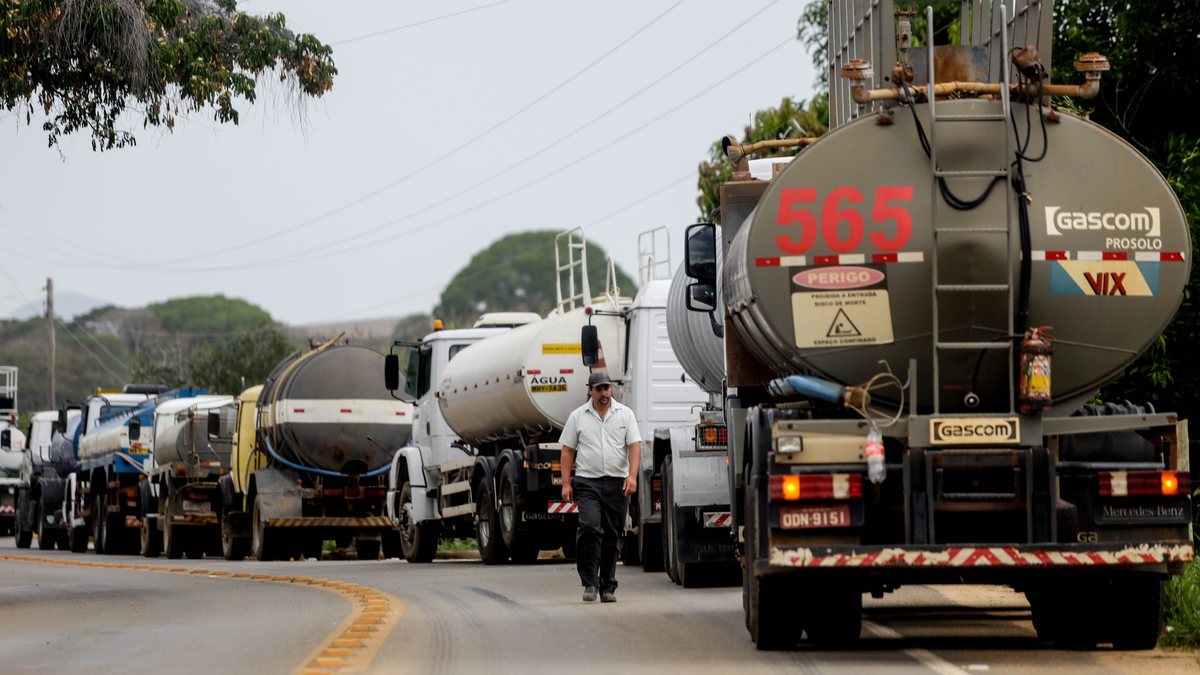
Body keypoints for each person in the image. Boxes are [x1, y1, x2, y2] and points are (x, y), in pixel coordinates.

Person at [559, 370, 641, 603]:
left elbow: (634, 446)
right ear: (590, 391)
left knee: (611, 536)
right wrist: (566, 483)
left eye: (607, 388)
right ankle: (590, 583)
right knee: (590, 528)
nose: (604, 393)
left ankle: (607, 586)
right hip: (587, 482)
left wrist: (632, 476)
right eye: (599, 389)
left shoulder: (625, 414)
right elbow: (567, 450)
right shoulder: (578, 416)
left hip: (617, 483)